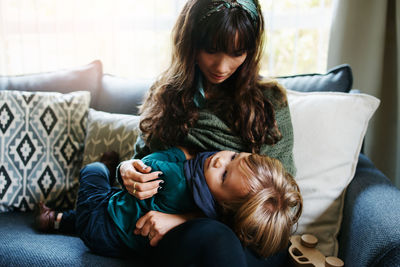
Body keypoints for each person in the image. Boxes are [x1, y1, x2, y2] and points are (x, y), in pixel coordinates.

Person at [37, 0, 297, 265]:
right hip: (166, 236)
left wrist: (183, 220)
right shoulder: (167, 95)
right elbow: (144, 160)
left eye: (237, 52)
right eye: (211, 50)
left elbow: (279, 203)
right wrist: (126, 170)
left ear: (250, 51)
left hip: (244, 236)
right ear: (190, 41)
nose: (222, 66)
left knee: (220, 237)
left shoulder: (268, 104)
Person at [39, 147, 302, 259]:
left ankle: (105, 167)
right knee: (108, 208)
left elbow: (150, 163)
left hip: (101, 220)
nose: (220, 160)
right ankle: (57, 220)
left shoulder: (175, 182)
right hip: (121, 242)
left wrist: (175, 154)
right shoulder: (212, 212)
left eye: (223, 176)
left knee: (93, 172)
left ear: (225, 206)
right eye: (234, 156)